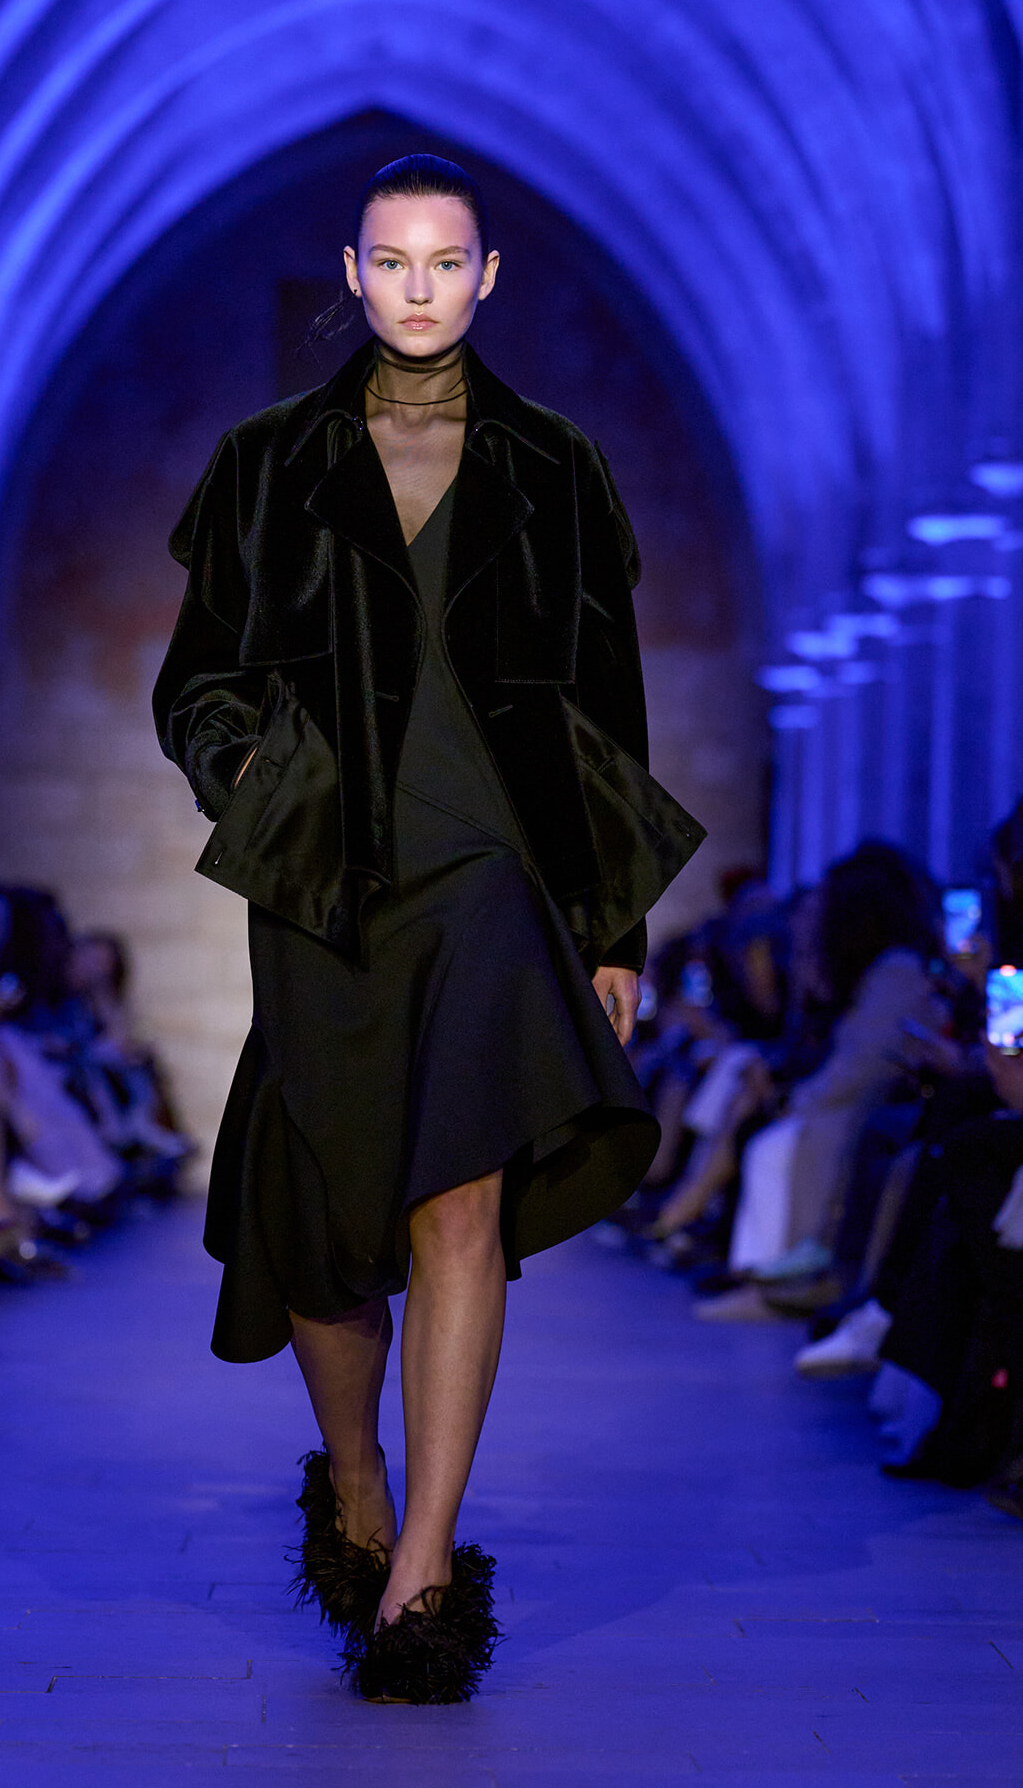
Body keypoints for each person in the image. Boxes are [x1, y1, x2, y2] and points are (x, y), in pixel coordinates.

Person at [153, 154, 703, 1702]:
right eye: (390, 260)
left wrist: (614, 927)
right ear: (348, 271)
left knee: (456, 1207)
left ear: (487, 276)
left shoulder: (556, 466)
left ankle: (427, 1570)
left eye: (444, 261)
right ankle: (357, 1483)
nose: (416, 286)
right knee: (323, 1224)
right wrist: (248, 769)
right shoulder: (267, 462)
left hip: (497, 881)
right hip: (326, 882)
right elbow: (194, 679)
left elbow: (606, 711)